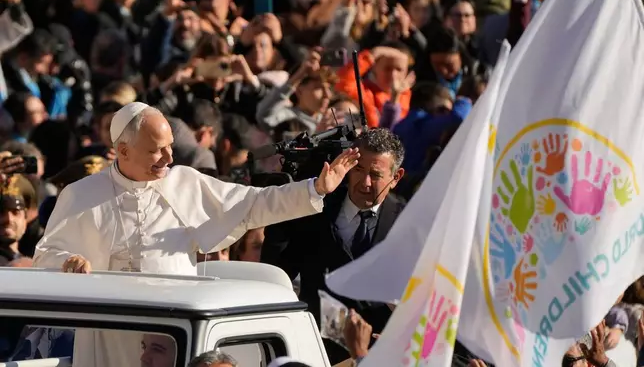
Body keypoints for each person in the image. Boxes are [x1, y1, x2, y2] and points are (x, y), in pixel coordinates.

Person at [32, 101, 358, 367]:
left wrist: (314, 189)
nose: (169, 158)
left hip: (172, 333)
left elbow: (253, 204)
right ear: (123, 151)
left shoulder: (185, 183)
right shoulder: (81, 195)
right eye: (156, 150)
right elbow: (45, 256)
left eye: (170, 147)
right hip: (110, 338)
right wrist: (67, 262)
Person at [261, 128, 405, 363]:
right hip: (316, 350)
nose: (365, 182)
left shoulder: (409, 223)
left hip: (381, 354)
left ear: (396, 177)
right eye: (358, 169)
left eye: (376, 174)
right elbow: (276, 271)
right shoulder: (315, 209)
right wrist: (289, 202)